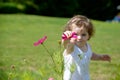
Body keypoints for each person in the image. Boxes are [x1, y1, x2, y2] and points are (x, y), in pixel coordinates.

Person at [61, 15, 111, 80]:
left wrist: (100, 57)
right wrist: (65, 38)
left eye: (83, 35)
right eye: (75, 34)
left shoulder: (87, 46)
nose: (79, 38)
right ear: (70, 34)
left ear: (89, 36)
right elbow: (66, 45)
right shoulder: (71, 47)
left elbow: (89, 54)